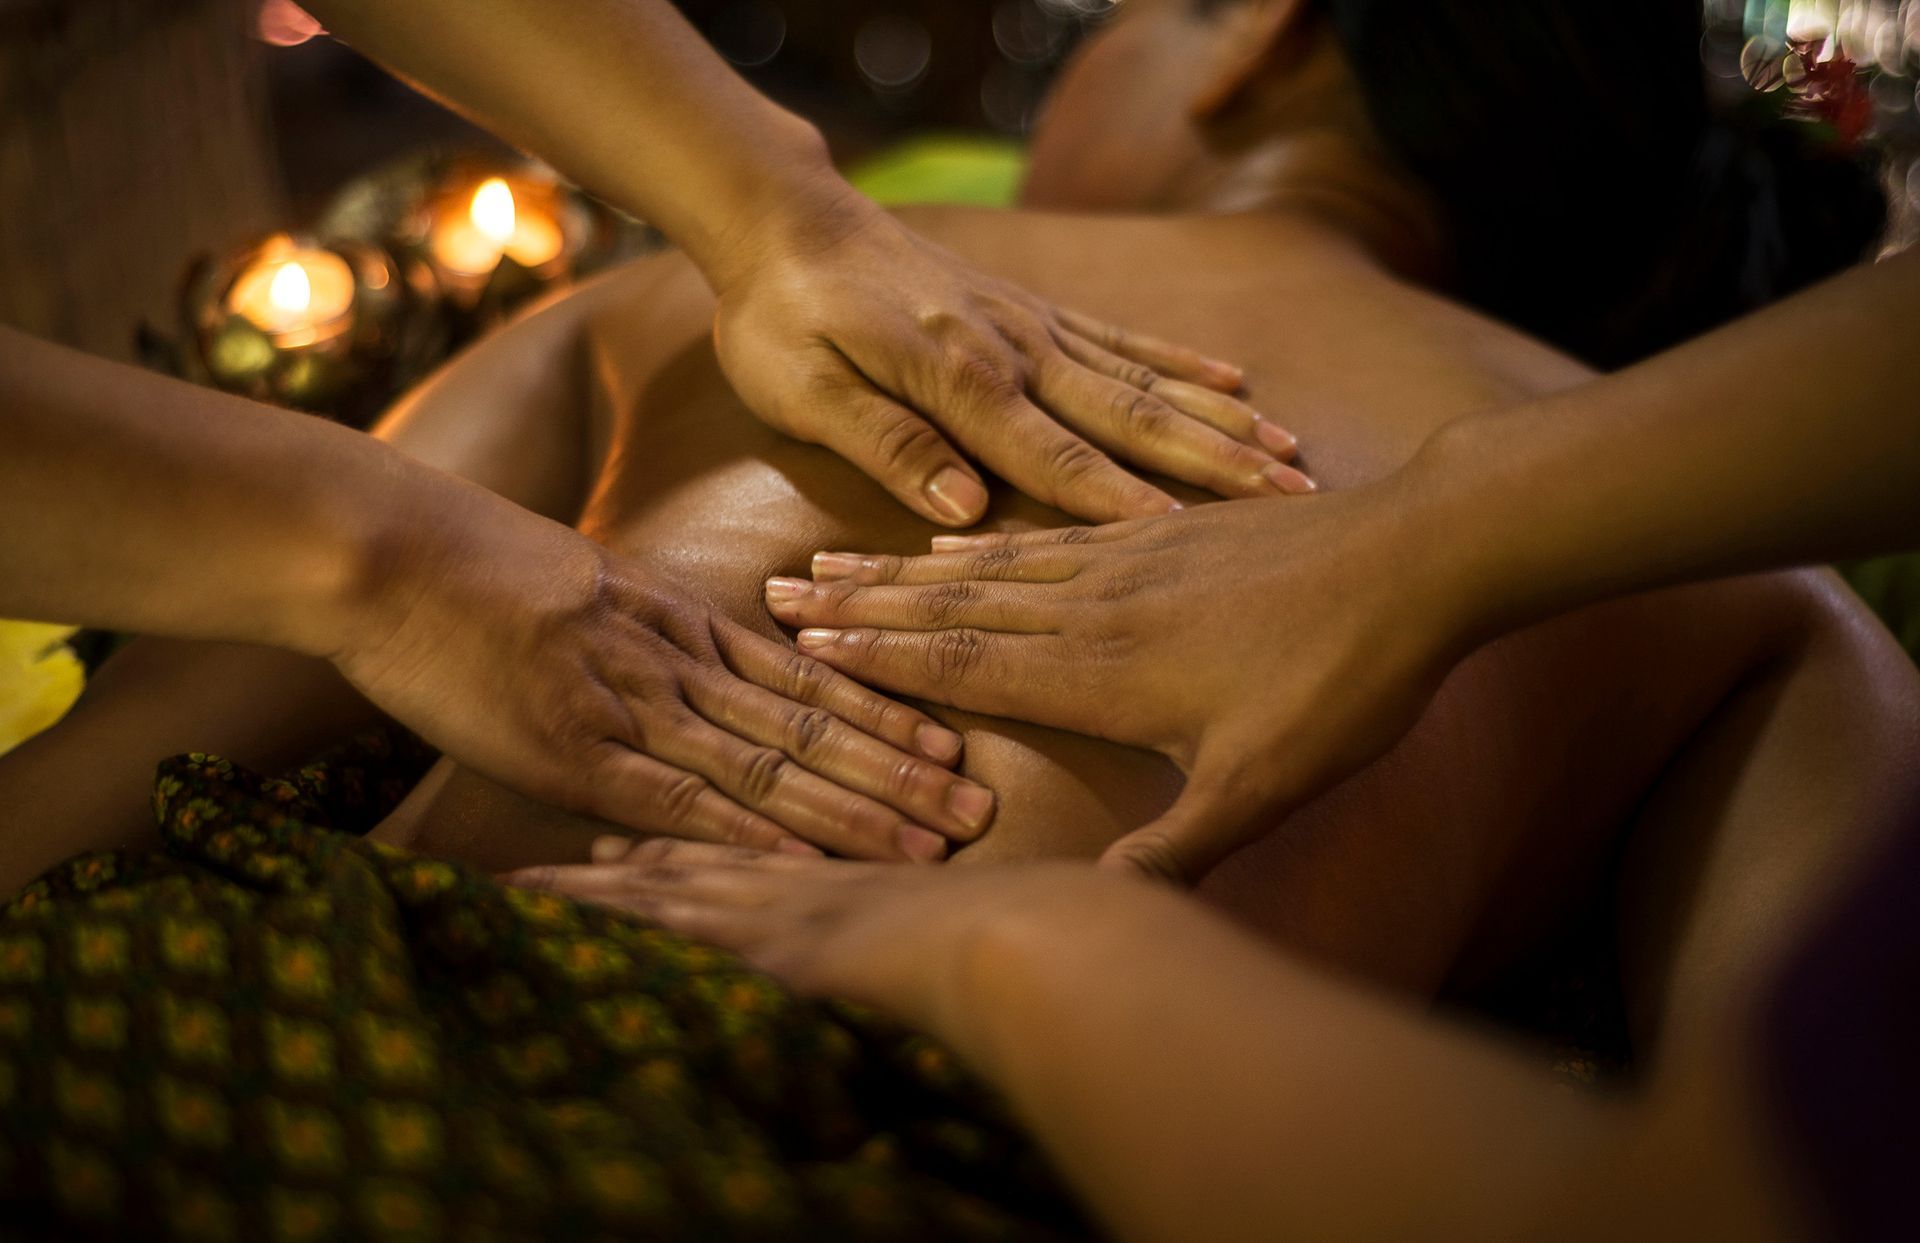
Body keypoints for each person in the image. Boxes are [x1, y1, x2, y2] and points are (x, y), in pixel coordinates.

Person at [1, 0, 1289, 875]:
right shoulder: (1410, 511)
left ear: (1265, 31)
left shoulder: (665, 300)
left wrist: (774, 207)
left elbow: (157, 738)